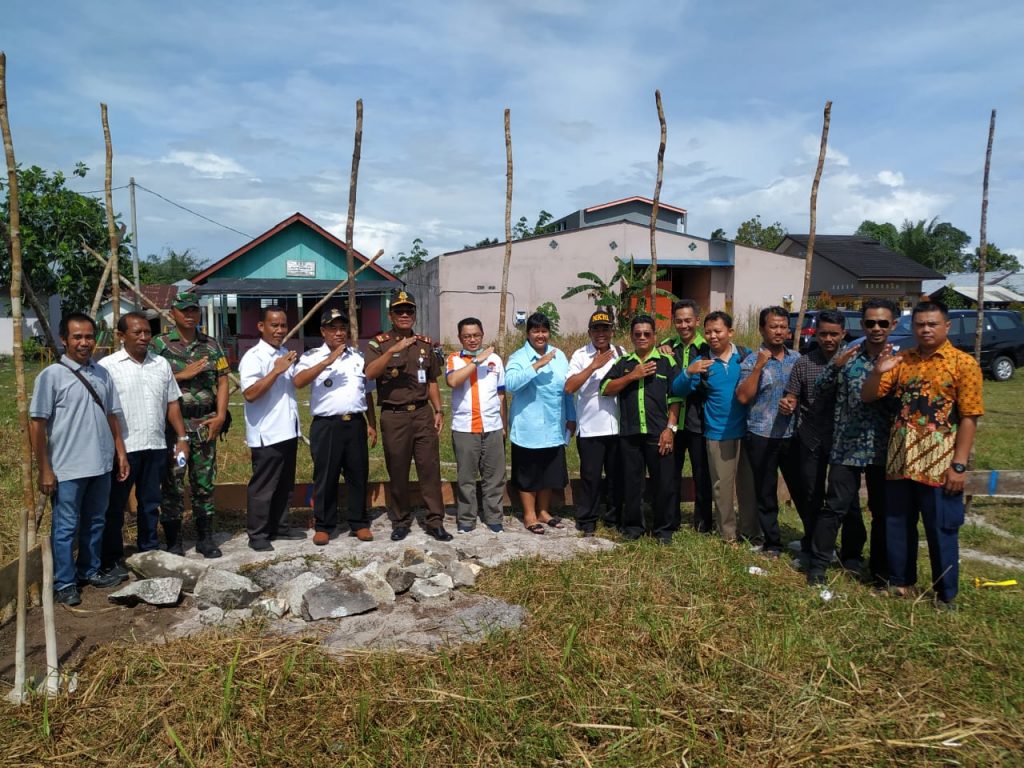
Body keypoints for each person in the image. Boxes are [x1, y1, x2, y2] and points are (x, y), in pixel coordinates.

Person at [862, 300, 983, 609]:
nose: (925, 329)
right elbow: (869, 395)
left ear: (947, 327)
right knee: (897, 523)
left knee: (941, 528)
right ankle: (901, 582)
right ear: (912, 327)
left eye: (932, 324)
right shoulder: (902, 360)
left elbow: (969, 416)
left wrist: (959, 465)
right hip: (901, 460)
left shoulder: (963, 364)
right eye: (919, 324)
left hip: (940, 464)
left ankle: (946, 594)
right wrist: (877, 372)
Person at [29, 312, 129, 606]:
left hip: (100, 464)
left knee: (96, 520)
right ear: (64, 340)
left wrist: (120, 453)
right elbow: (37, 424)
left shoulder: (101, 373)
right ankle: (65, 582)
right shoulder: (51, 376)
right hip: (68, 467)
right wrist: (44, 469)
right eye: (77, 337)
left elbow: (112, 414)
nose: (84, 342)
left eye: (89, 336)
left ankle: (89, 570)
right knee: (65, 526)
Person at [807, 299, 899, 587]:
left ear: (893, 325)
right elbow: (819, 389)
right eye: (870, 322)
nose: (876, 328)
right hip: (846, 447)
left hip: (881, 450)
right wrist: (836, 365)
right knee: (834, 508)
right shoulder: (849, 357)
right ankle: (818, 567)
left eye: (882, 323)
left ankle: (881, 572)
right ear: (862, 325)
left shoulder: (899, 362)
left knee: (882, 514)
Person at [100, 312, 189, 581]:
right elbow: (106, 412)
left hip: (155, 445)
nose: (143, 337)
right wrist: (118, 450)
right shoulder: (108, 367)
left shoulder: (160, 364)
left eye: (147, 333)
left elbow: (172, 402)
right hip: (124, 449)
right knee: (115, 506)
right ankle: (112, 558)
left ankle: (148, 549)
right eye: (137, 332)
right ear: (121, 336)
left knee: (150, 502)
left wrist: (182, 438)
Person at [364, 289, 451, 542]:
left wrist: (438, 409)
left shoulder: (425, 344)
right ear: (390, 315)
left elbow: (432, 380)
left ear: (414, 314)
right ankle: (401, 520)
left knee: (429, 468)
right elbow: (370, 373)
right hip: (394, 416)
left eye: (409, 310)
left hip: (422, 413)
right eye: (399, 311)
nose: (404, 314)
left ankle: (434, 520)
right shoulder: (378, 344)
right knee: (398, 470)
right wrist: (393, 350)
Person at [151, 294, 230, 558]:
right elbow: (148, 378)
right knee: (173, 482)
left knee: (204, 483)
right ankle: (173, 541)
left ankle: (205, 538)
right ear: (172, 312)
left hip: (205, 423)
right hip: (174, 426)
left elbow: (222, 381)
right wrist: (181, 375)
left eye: (194, 310)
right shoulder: (159, 345)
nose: (190, 314)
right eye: (184, 310)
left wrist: (220, 416)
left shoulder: (211, 345)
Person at [672, 311, 757, 544]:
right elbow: (677, 390)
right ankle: (727, 534)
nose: (712, 336)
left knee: (748, 487)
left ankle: (751, 533)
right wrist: (689, 371)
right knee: (722, 488)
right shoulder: (702, 362)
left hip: (748, 433)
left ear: (730, 332)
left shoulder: (745, 356)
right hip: (718, 433)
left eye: (717, 331)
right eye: (708, 332)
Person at [294, 309, 378, 545]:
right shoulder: (311, 356)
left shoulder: (357, 357)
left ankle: (359, 523)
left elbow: (367, 392)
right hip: (326, 425)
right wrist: (328, 361)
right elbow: (299, 382)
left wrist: (371, 423)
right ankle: (324, 524)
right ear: (323, 331)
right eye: (333, 328)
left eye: (343, 328)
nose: (339, 333)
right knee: (325, 475)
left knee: (358, 474)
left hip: (355, 423)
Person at [601, 314, 682, 543]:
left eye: (647, 333)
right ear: (632, 336)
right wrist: (632, 376)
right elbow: (605, 388)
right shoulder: (624, 363)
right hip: (630, 433)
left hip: (659, 433)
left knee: (664, 483)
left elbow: (676, 397)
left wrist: (671, 429)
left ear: (655, 336)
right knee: (632, 484)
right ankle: (634, 528)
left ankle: (663, 531)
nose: (642, 337)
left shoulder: (668, 362)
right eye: (638, 334)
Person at [736, 306, 802, 556]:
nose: (778, 331)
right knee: (766, 490)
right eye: (773, 326)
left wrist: (793, 401)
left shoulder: (797, 359)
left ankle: (812, 540)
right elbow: (743, 397)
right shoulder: (752, 360)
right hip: (761, 435)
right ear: (762, 329)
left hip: (792, 434)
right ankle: (772, 542)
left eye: (783, 326)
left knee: (801, 488)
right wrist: (758, 368)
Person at [780, 309, 845, 560]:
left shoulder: (853, 360)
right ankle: (813, 542)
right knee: (810, 494)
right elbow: (792, 395)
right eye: (823, 334)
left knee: (841, 498)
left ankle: (844, 549)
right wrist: (788, 403)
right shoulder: (804, 363)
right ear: (816, 334)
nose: (828, 339)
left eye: (834, 334)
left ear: (843, 334)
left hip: (842, 440)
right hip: (810, 437)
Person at [238, 305, 305, 551]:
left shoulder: (285, 352)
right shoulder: (253, 357)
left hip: (287, 429)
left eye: (283, 325)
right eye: (274, 325)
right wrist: (276, 371)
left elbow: (296, 383)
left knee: (285, 485)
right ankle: (257, 534)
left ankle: (280, 526)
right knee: (263, 487)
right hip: (267, 433)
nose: (279, 330)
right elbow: (250, 393)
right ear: (261, 327)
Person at [505, 312, 576, 534]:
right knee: (528, 474)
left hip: (554, 425)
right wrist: (536, 366)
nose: (540, 335)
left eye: (544, 330)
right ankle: (529, 515)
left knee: (548, 472)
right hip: (529, 427)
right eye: (535, 331)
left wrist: (571, 417)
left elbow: (567, 389)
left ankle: (544, 511)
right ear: (528, 333)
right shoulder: (519, 357)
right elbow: (511, 384)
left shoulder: (560, 355)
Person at [445, 317, 507, 533]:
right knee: (466, 477)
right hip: (465, 427)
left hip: (492, 425)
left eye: (476, 335)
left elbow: (501, 395)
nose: (472, 339)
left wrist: (503, 424)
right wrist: (477, 360)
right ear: (460, 338)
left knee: (494, 476)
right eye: (467, 336)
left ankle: (494, 517)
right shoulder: (454, 359)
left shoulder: (496, 360)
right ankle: (467, 519)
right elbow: (453, 381)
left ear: (482, 335)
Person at [565, 310, 625, 536]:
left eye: (605, 328)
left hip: (617, 425)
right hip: (590, 427)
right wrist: (593, 366)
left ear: (612, 331)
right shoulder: (580, 355)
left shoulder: (620, 352)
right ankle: (587, 519)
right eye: (596, 329)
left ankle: (613, 518)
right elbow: (569, 387)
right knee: (590, 477)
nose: (601, 333)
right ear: (589, 332)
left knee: (615, 475)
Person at [659, 299, 712, 532]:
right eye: (679, 321)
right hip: (672, 421)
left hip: (699, 420)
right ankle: (671, 522)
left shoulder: (707, 348)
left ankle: (702, 524)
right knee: (670, 474)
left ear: (697, 321)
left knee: (702, 474)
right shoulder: (666, 347)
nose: (683, 325)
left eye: (688, 320)